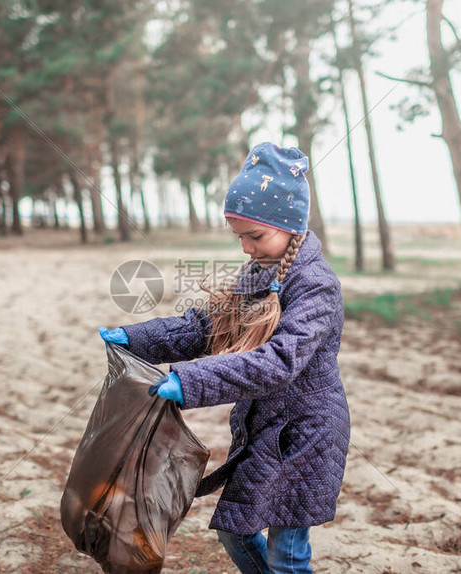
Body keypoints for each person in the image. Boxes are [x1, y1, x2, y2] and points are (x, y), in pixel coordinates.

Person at [98, 142, 350, 574]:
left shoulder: (315, 285)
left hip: (306, 433)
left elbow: (279, 361)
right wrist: (136, 339)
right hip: (264, 427)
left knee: (287, 554)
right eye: (240, 237)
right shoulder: (258, 272)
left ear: (289, 226)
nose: (247, 248)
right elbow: (208, 328)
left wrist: (190, 382)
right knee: (235, 529)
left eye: (256, 236)